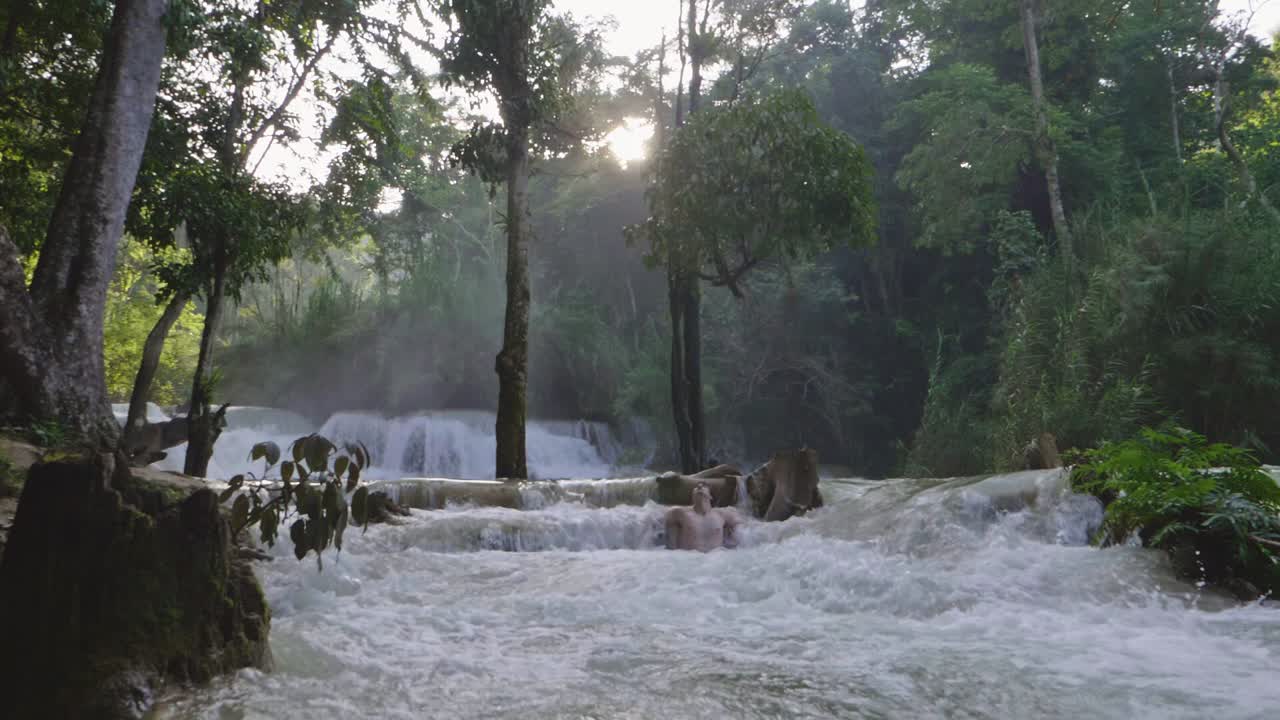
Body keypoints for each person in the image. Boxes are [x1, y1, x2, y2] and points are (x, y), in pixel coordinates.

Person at [664, 481, 741, 551]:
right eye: (696, 487)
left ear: (710, 496)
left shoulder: (722, 514)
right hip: (689, 559)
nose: (699, 486)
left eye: (704, 486)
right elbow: (662, 521)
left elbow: (742, 527)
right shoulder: (679, 513)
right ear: (692, 496)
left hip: (716, 559)